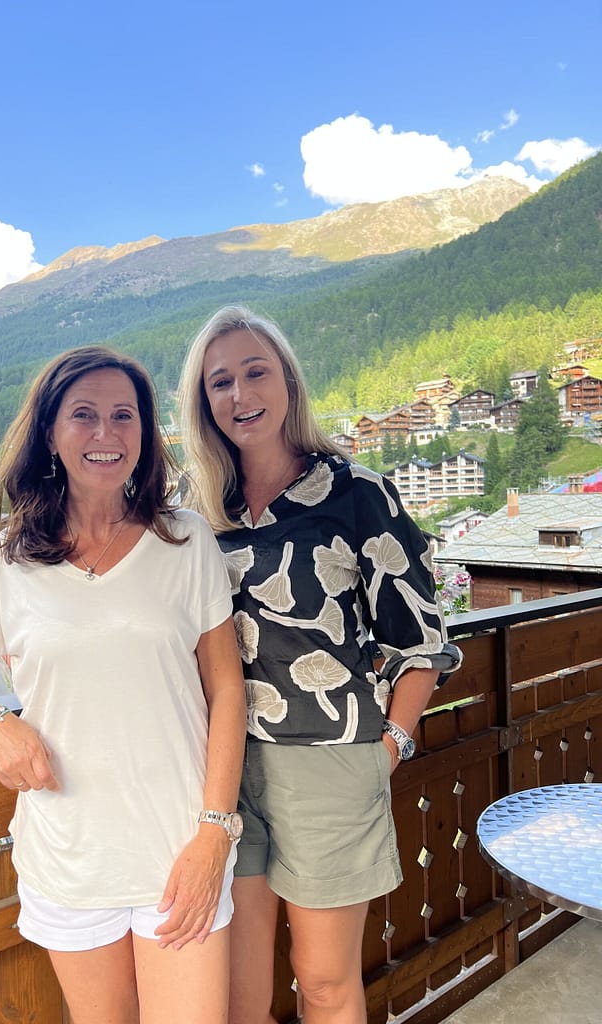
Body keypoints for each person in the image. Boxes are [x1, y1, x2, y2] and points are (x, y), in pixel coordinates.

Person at [0, 346, 247, 1024]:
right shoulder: (7, 559)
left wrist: (215, 834)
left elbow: (226, 693)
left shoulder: (185, 543)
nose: (106, 434)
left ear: (144, 432)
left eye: (123, 416)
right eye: (85, 416)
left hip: (178, 854)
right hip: (69, 860)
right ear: (50, 433)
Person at [178, 307, 462, 1024]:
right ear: (202, 401)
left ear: (287, 382)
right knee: (240, 994)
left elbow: (422, 639)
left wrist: (391, 744)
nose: (240, 395)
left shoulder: (356, 495)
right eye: (220, 382)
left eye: (255, 372)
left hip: (331, 764)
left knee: (325, 984)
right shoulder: (198, 507)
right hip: (223, 771)